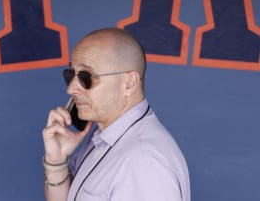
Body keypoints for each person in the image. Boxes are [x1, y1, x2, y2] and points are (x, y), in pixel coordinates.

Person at [42, 28, 190, 201]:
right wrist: (57, 162)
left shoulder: (143, 162)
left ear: (129, 83)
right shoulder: (103, 137)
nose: (71, 89)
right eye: (70, 74)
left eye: (86, 76)